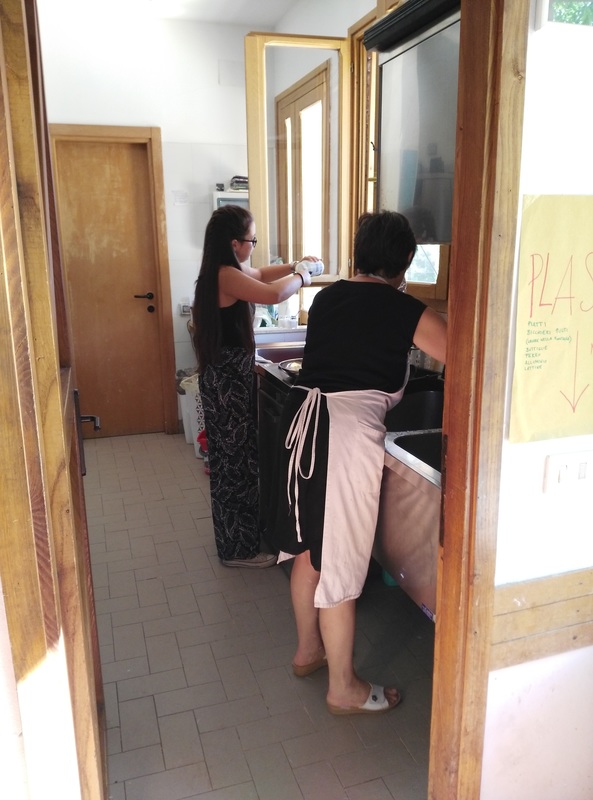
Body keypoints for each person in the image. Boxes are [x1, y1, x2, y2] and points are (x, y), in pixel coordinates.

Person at [267, 210, 447, 714]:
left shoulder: (327, 298)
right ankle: (342, 688)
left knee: (309, 550)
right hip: (343, 437)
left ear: (359, 252)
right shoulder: (404, 309)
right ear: (405, 260)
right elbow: (466, 355)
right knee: (341, 561)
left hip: (303, 423)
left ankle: (308, 651)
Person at [192, 204, 321, 568]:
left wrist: (295, 263)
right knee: (234, 465)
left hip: (226, 376)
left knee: (233, 462)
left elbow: (262, 274)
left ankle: (236, 541)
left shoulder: (225, 271)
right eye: (252, 240)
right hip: (227, 382)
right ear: (234, 243)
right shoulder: (225, 276)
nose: (254, 246)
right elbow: (274, 294)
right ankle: (238, 550)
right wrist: (302, 276)